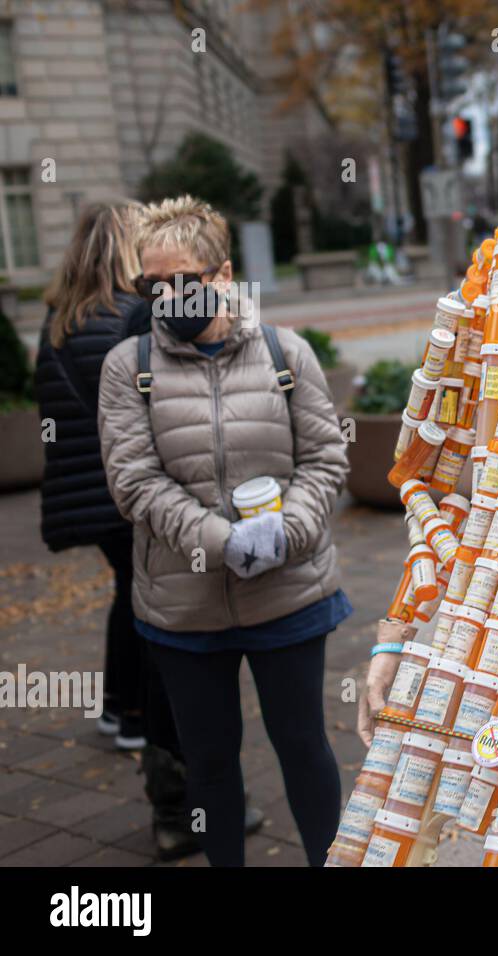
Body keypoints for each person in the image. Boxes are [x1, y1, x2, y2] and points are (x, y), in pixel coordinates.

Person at [98, 195, 351, 867]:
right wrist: (222, 541)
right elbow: (133, 482)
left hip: (289, 592)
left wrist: (286, 532)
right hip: (183, 607)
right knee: (209, 763)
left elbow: (326, 458)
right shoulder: (128, 368)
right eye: (152, 286)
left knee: (303, 746)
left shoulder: (282, 351)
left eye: (182, 282)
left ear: (222, 274)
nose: (166, 297)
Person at [34, 200, 215, 860]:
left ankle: (125, 714)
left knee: (130, 603)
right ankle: (171, 783)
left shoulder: (59, 321)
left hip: (88, 497)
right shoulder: (130, 317)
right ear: (127, 248)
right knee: (159, 628)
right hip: (133, 497)